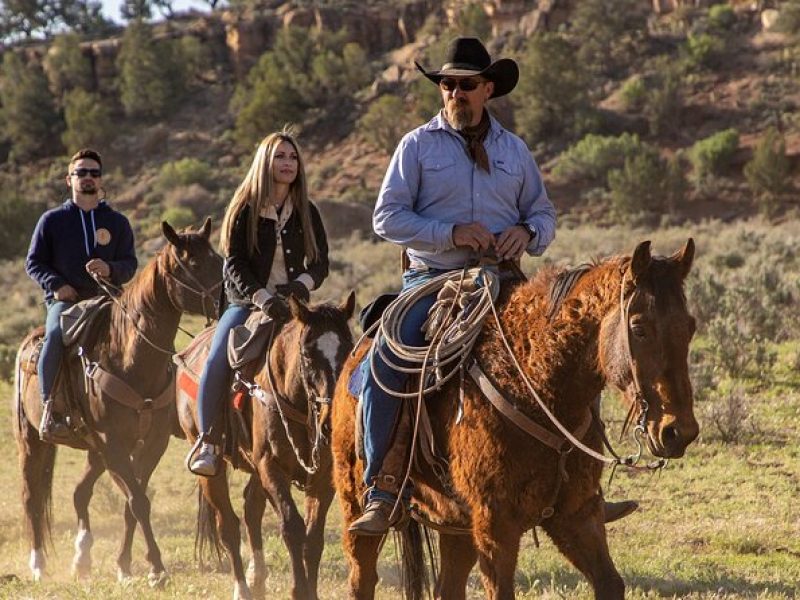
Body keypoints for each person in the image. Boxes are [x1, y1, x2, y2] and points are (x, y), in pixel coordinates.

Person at [349, 37, 636, 535]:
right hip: (434, 280)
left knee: (572, 356)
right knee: (385, 363)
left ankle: (582, 487)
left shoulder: (514, 150)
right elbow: (386, 217)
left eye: (465, 85)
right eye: (447, 84)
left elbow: (543, 213)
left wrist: (526, 232)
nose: (454, 93)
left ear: (487, 90)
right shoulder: (416, 145)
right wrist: (451, 233)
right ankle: (384, 484)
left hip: (505, 280)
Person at [188, 130, 330, 476]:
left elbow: (321, 262)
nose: (287, 164)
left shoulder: (306, 210)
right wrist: (263, 298)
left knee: (332, 351)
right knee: (219, 356)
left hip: (293, 302)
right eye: (280, 157)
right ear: (265, 162)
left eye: (293, 157)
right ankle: (208, 441)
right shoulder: (245, 208)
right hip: (248, 302)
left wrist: (300, 285)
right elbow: (233, 263)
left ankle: (334, 429)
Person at [26, 148, 137, 441]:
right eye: (81, 173)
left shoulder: (118, 222)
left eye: (94, 173)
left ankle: (155, 408)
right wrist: (57, 284)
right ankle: (50, 407)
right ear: (69, 180)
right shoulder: (51, 221)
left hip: (108, 301)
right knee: (53, 336)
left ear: (101, 181)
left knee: (142, 335)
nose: (88, 178)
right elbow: (33, 262)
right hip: (66, 302)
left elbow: (130, 264)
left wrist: (110, 269)